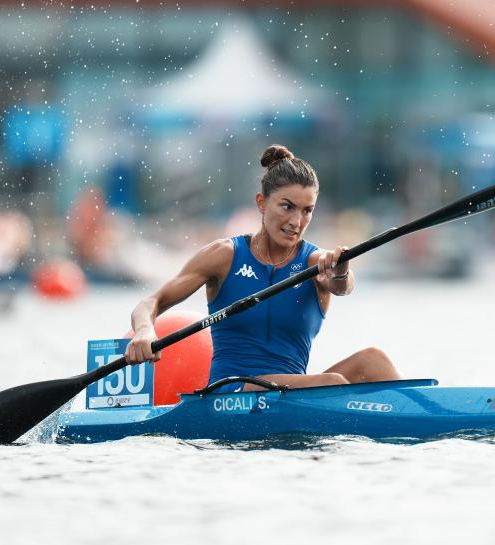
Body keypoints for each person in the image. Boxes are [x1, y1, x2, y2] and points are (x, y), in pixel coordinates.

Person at [125, 144, 402, 391]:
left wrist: (340, 272)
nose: (296, 221)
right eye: (287, 207)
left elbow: (342, 286)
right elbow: (149, 303)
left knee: (374, 361)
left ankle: (419, 419)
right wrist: (145, 331)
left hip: (291, 394)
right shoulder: (224, 256)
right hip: (232, 392)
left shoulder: (315, 262)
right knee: (333, 384)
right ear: (261, 203)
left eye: (307, 210)